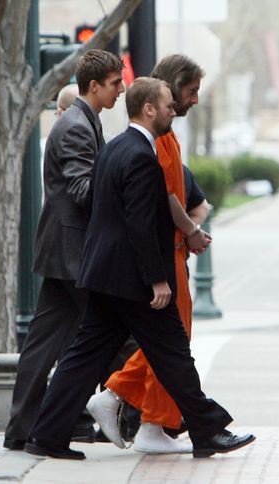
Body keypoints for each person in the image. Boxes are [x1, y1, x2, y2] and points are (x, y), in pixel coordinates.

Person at [24, 77, 255, 460]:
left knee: (84, 358)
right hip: (132, 282)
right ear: (149, 109)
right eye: (167, 105)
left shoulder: (115, 148)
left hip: (105, 275)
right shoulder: (141, 157)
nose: (172, 111)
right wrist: (158, 280)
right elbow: (140, 224)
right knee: (174, 354)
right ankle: (208, 429)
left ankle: (45, 435)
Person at [3, 50, 125, 451]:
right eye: (114, 83)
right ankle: (68, 425)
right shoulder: (76, 126)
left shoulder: (83, 121)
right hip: (72, 253)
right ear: (94, 85)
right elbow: (82, 189)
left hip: (65, 251)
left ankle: (26, 430)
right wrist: (124, 190)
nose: (121, 89)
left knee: (44, 344)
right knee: (104, 337)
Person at [101, 55, 211, 454]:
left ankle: (125, 404)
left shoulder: (165, 134)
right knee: (172, 345)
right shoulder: (158, 136)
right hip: (169, 253)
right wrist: (192, 230)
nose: (195, 100)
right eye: (191, 91)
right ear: (172, 89)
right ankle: (149, 422)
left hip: (174, 252)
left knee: (168, 345)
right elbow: (164, 198)